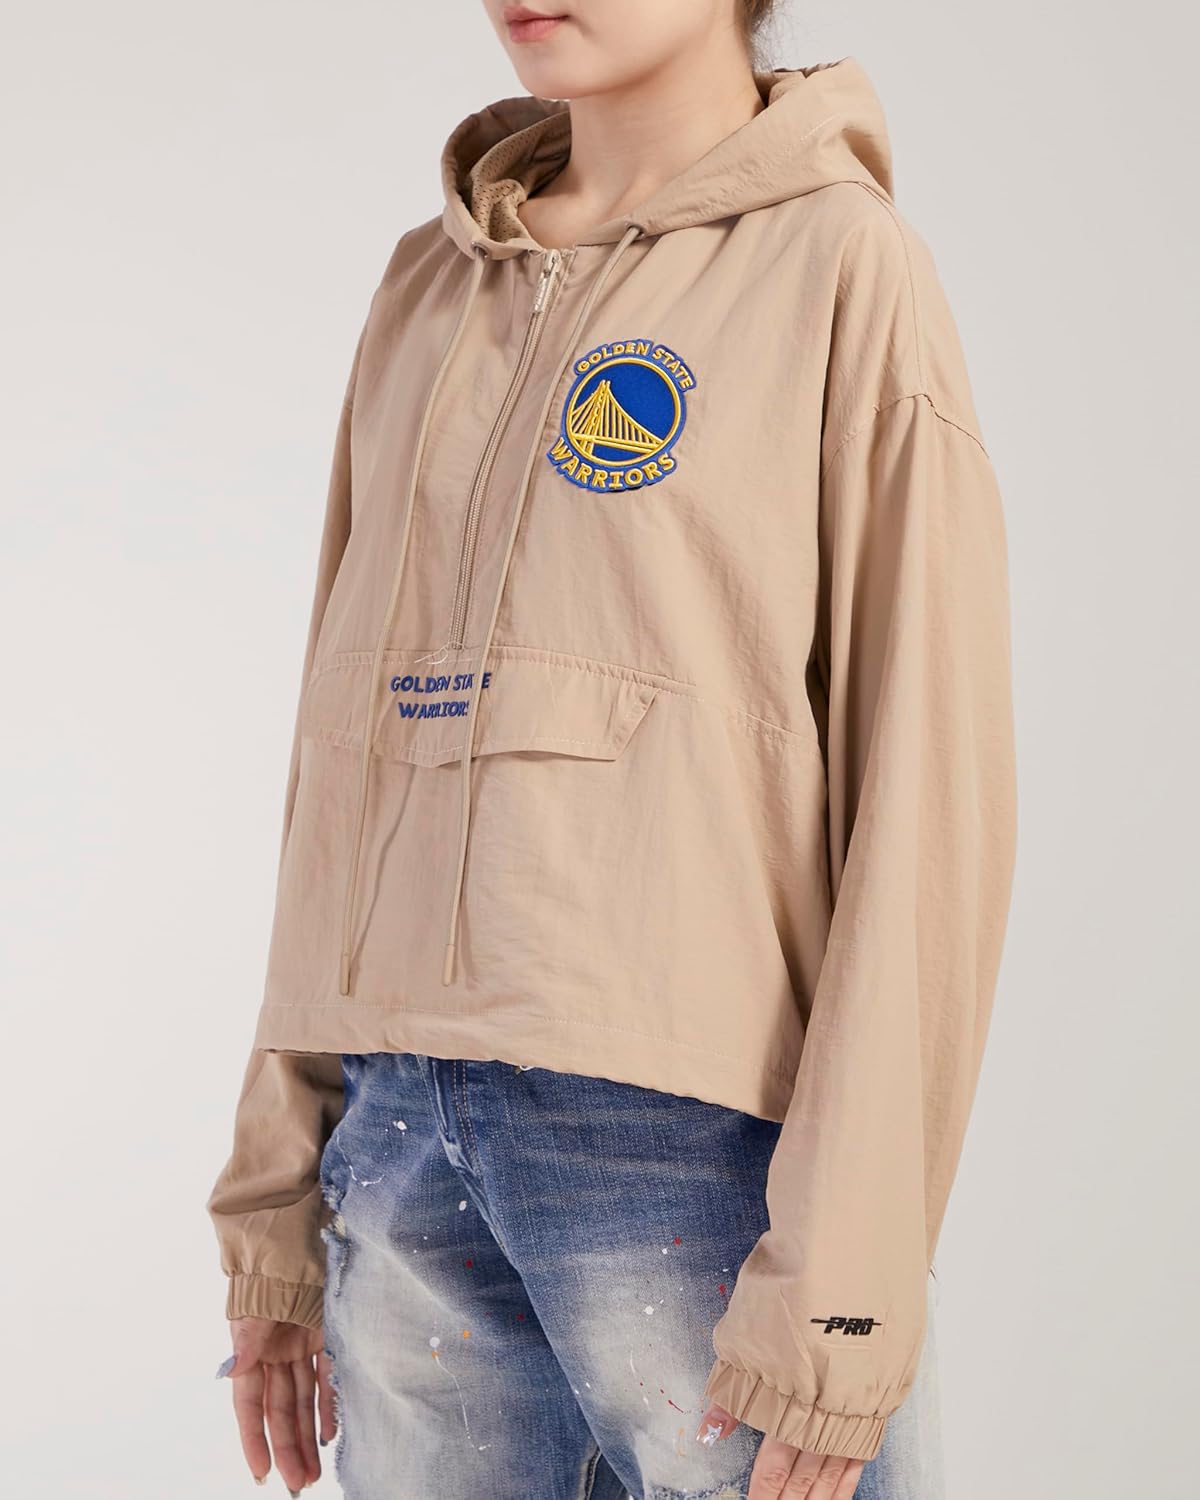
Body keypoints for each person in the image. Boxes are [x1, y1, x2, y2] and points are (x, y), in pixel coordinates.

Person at [206, 3, 1018, 1497]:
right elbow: (341, 759)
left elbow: (927, 788)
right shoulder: (427, 284)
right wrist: (274, 1204)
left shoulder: (842, 266)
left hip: (693, 1147)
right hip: (396, 1140)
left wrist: (846, 1296)